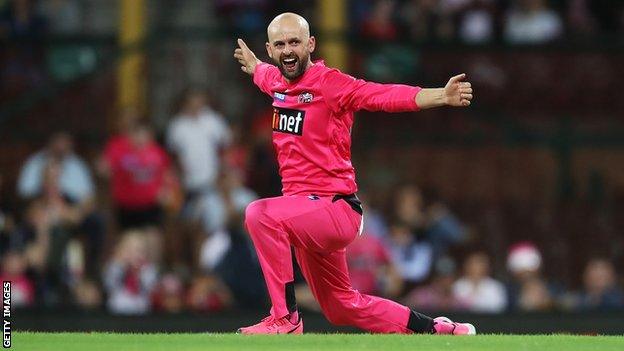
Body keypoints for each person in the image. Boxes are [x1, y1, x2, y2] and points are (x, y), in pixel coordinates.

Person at [233, 12, 475, 335]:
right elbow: (263, 74)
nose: (288, 50)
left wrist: (440, 96)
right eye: (280, 44)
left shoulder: (330, 84)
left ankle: (285, 319)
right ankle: (438, 329)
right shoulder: (276, 80)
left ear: (311, 44)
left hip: (335, 208)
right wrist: (254, 66)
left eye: (295, 42)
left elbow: (383, 96)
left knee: (260, 214)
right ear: (270, 48)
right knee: (340, 306)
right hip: (304, 214)